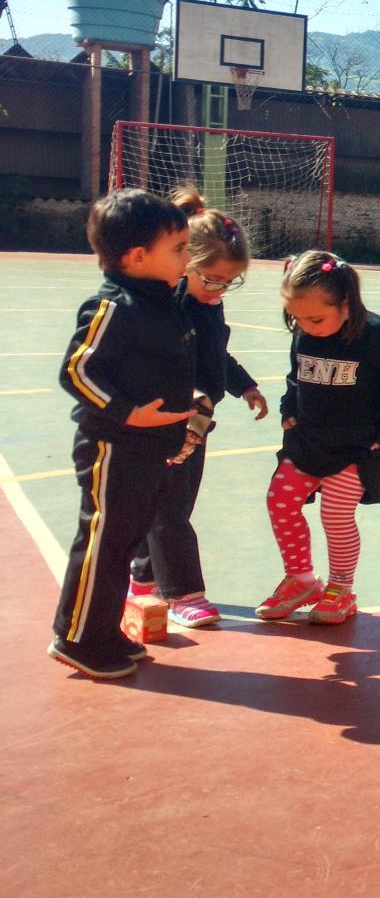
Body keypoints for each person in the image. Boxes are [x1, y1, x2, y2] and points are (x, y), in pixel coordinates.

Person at [49, 190, 197, 679]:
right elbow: (77, 372)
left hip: (148, 450)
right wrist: (126, 414)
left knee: (128, 537)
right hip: (113, 447)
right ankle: (78, 639)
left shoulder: (160, 302)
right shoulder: (113, 306)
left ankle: (103, 629)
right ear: (137, 258)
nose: (186, 258)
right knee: (104, 540)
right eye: (178, 249)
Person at [128, 188, 270, 629]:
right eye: (209, 279)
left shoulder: (210, 307)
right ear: (184, 261)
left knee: (173, 505)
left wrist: (245, 386)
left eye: (228, 283)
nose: (218, 289)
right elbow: (147, 360)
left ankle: (141, 578)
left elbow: (216, 358)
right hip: (165, 421)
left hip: (198, 424)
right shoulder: (167, 306)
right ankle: (184, 593)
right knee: (170, 509)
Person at [256, 252, 380, 625]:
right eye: (296, 318)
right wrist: (287, 409)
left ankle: (341, 588)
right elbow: (296, 377)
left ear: (345, 303)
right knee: (280, 500)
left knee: (336, 514)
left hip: (356, 449)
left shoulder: (377, 334)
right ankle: (301, 579)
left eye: (315, 318)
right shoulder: (305, 333)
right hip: (307, 442)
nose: (306, 327)